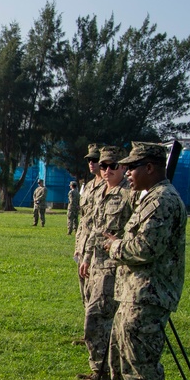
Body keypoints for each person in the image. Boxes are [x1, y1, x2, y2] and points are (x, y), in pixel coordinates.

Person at [91, 142, 186, 380]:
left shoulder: (163, 202)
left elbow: (146, 248)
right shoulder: (149, 198)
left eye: (132, 166)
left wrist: (114, 246)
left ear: (150, 168)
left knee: (141, 359)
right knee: (119, 355)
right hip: (133, 291)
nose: (126, 172)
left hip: (150, 294)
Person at [77, 147, 132, 380]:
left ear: (123, 167)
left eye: (112, 166)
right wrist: (87, 256)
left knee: (96, 317)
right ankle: (101, 370)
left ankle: (102, 372)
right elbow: (94, 229)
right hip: (97, 264)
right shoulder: (102, 191)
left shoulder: (130, 195)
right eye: (103, 166)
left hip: (114, 267)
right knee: (97, 317)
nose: (106, 170)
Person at [73, 144, 107, 342]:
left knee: (97, 296)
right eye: (89, 160)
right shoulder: (88, 185)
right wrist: (78, 246)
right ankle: (90, 334)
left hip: (97, 250)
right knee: (84, 291)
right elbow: (84, 219)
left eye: (96, 160)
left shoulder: (109, 186)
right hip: (83, 245)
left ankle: (97, 336)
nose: (92, 164)